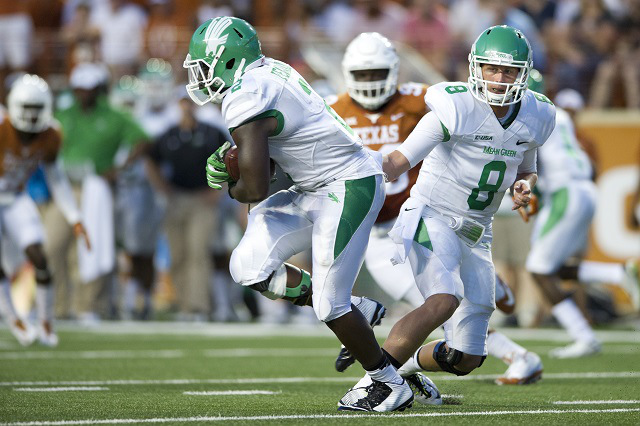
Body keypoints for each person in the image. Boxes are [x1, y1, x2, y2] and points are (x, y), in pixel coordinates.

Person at [186, 16, 412, 412]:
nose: (200, 75)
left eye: (204, 65)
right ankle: (357, 309)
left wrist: (228, 177)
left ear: (227, 61)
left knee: (329, 305)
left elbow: (254, 188)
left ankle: (388, 382)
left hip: (349, 185)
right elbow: (272, 158)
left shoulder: (245, 93)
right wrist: (233, 157)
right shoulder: (267, 71)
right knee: (248, 267)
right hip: (314, 188)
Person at [339, 25, 555, 407]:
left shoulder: (537, 114)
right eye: (491, 69)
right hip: (432, 215)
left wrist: (524, 183)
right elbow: (395, 162)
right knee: (444, 299)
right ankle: (372, 387)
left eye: (508, 71)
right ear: (476, 68)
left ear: (523, 73)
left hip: (477, 232)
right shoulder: (454, 106)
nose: (499, 79)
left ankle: (401, 369)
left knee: (466, 356)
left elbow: (527, 162)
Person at [0, 74, 90, 346]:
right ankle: (13, 319)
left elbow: (56, 177)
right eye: (26, 108)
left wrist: (74, 216)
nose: (31, 115)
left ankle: (46, 322)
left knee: (39, 257)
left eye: (36, 109)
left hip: (15, 197)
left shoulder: (51, 133)